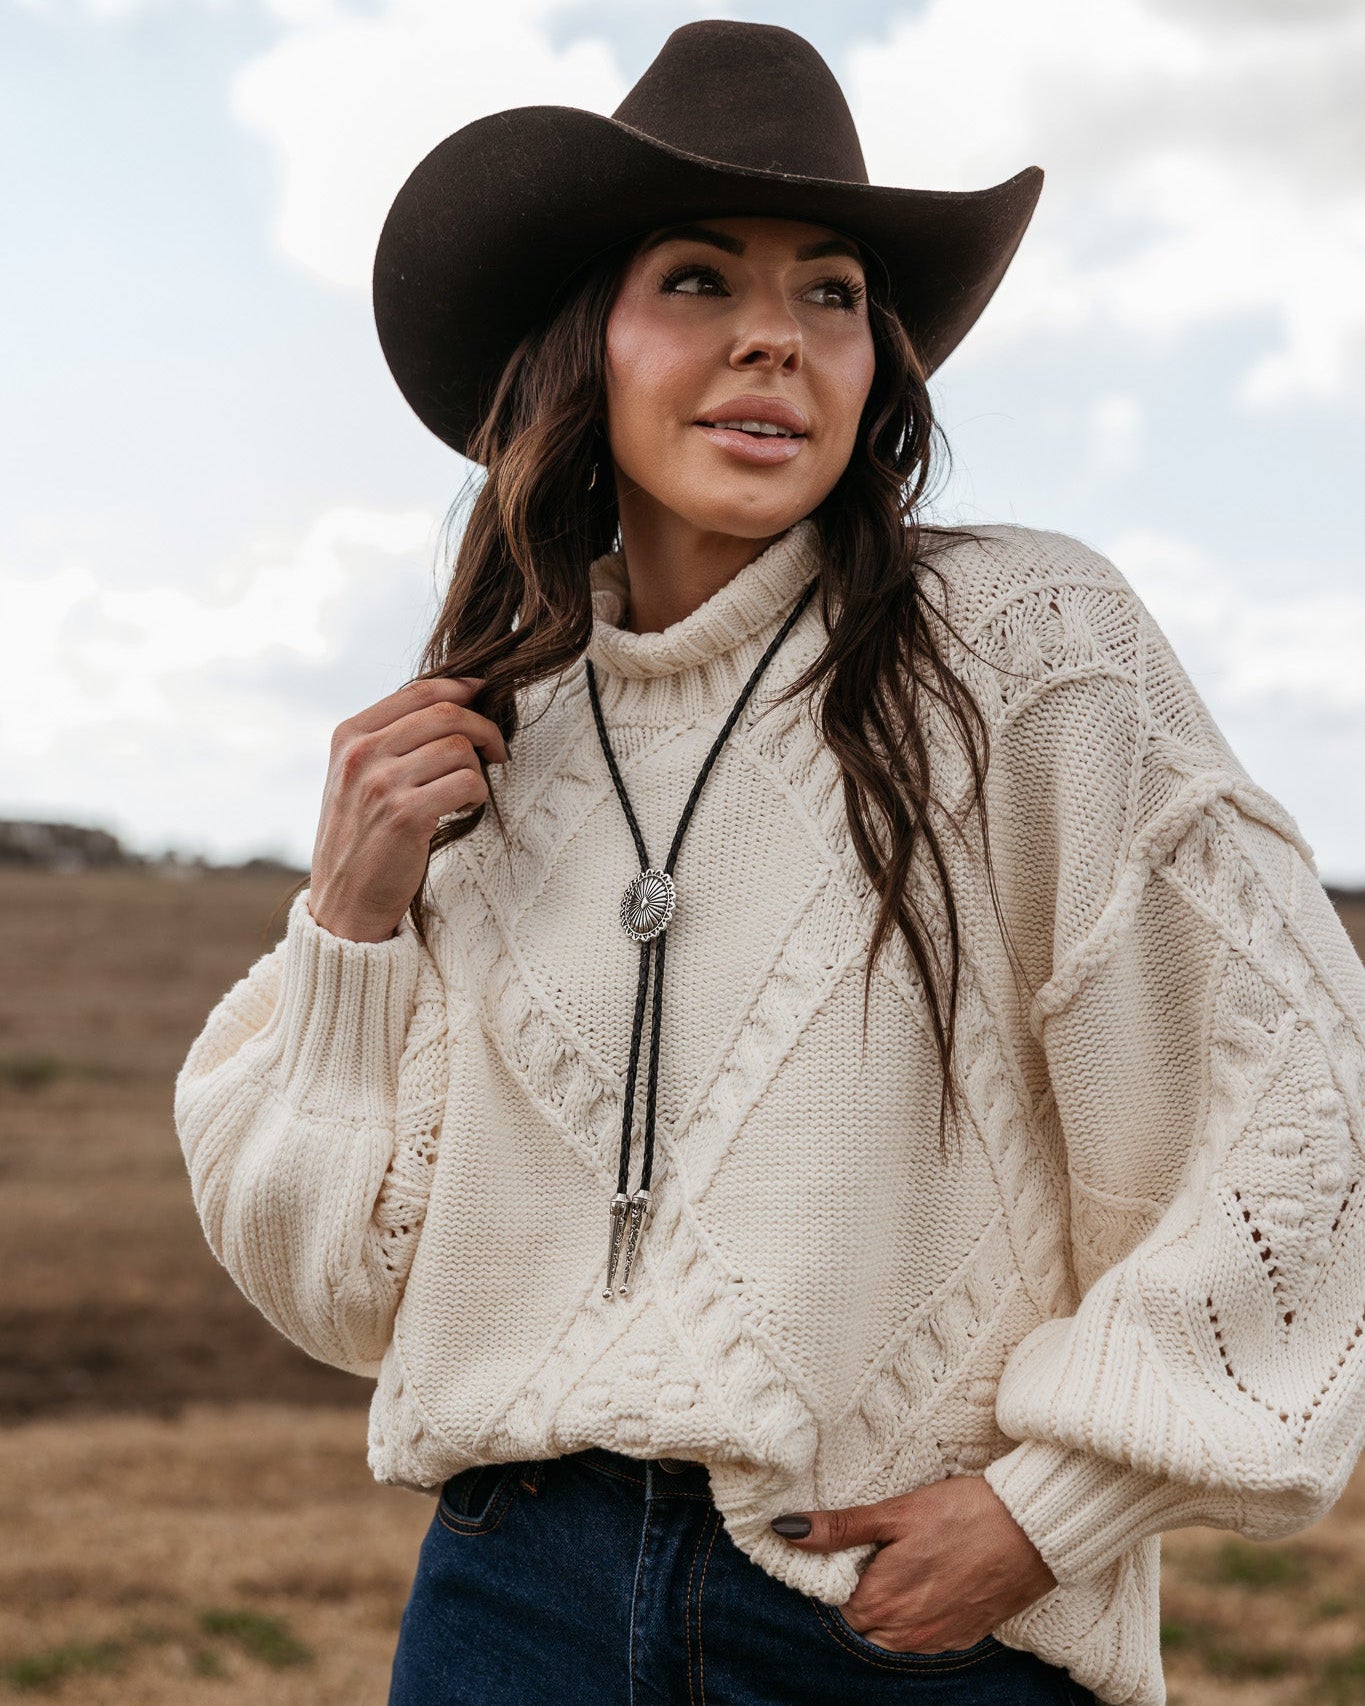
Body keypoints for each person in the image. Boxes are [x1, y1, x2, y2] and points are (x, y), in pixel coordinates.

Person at [174, 20, 1365, 1706]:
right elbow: (334, 1284)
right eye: (697, 281)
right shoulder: (488, 742)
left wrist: (1047, 1510)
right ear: (584, 340)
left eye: (828, 294)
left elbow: (1309, 1100)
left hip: (889, 1624)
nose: (772, 343)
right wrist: (353, 920)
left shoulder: (1024, 649)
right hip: (512, 1605)